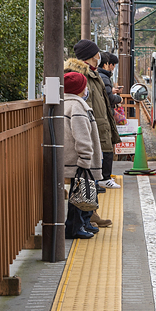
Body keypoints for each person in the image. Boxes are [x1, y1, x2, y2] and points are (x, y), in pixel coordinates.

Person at [65, 41, 120, 227]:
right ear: (90, 55)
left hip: (97, 127)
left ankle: (89, 215)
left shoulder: (91, 73)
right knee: (85, 177)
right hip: (90, 128)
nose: (100, 56)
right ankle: (84, 219)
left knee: (89, 176)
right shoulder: (82, 75)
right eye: (97, 53)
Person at [63, 72, 102, 239]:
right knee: (79, 194)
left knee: (79, 192)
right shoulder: (77, 106)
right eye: (84, 86)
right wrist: (86, 158)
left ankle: (83, 224)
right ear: (80, 89)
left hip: (70, 158)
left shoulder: (64, 103)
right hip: (78, 160)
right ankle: (74, 228)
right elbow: (82, 136)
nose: (86, 89)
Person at [98, 52, 122, 185]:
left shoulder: (100, 76)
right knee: (107, 147)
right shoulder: (104, 77)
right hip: (103, 116)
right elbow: (108, 98)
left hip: (102, 115)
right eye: (112, 65)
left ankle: (103, 177)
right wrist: (119, 98)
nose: (112, 68)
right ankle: (104, 178)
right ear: (107, 64)